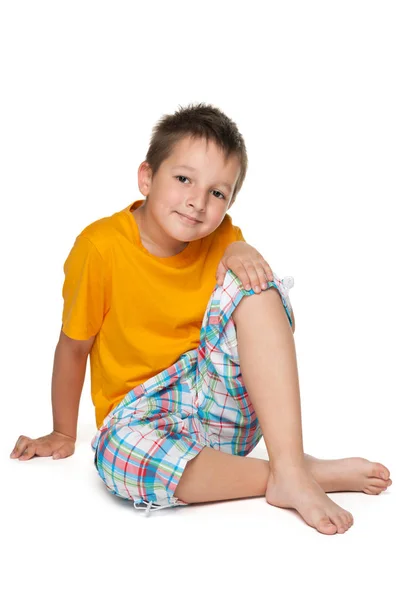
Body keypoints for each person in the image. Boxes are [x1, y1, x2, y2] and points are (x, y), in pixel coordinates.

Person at [10, 102, 391, 535]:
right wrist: (63, 432)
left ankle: (288, 463)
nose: (197, 202)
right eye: (184, 179)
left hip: (217, 405)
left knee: (257, 284)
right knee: (117, 457)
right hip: (142, 417)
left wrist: (241, 250)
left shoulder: (225, 237)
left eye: (217, 193)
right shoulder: (101, 248)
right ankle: (296, 473)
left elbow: (266, 328)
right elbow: (74, 346)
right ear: (147, 177)